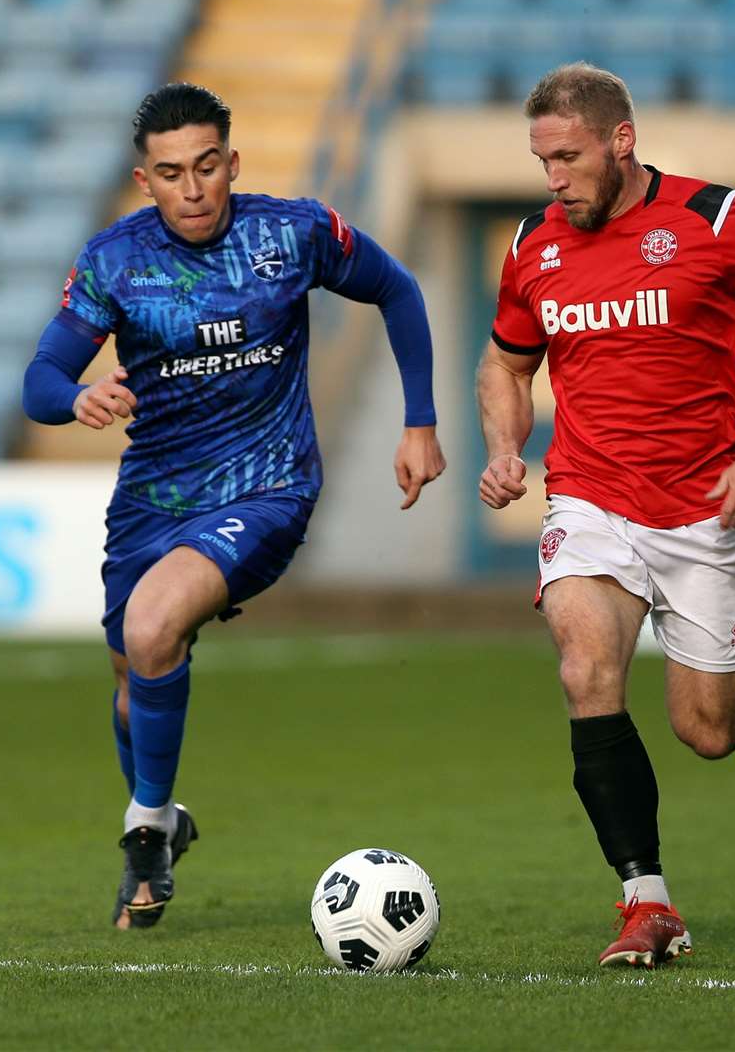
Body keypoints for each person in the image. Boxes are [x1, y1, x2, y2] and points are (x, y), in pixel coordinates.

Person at [22, 83, 445, 929]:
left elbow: (397, 289)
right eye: (172, 173)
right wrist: (76, 399)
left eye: (208, 167)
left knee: (151, 628)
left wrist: (420, 421)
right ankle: (164, 817)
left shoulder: (291, 234)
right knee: (130, 676)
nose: (194, 188)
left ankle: (143, 836)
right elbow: (39, 381)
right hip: (151, 499)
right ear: (146, 181)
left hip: (268, 483)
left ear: (232, 163)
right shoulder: (114, 262)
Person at [476, 64, 735, 968]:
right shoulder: (534, 244)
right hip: (590, 496)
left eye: (567, 157)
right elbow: (505, 364)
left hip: (702, 510)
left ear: (621, 140)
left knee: (703, 731)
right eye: (542, 161)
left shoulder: (715, 222)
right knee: (584, 671)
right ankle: (647, 903)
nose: (553, 179)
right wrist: (503, 445)